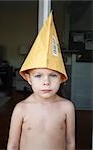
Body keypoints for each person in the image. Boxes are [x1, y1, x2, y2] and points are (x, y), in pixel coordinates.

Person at [7, 12, 75, 150]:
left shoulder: (67, 107)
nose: (46, 82)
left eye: (53, 75)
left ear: (62, 77)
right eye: (38, 76)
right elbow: (13, 145)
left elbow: (70, 142)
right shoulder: (21, 109)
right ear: (28, 78)